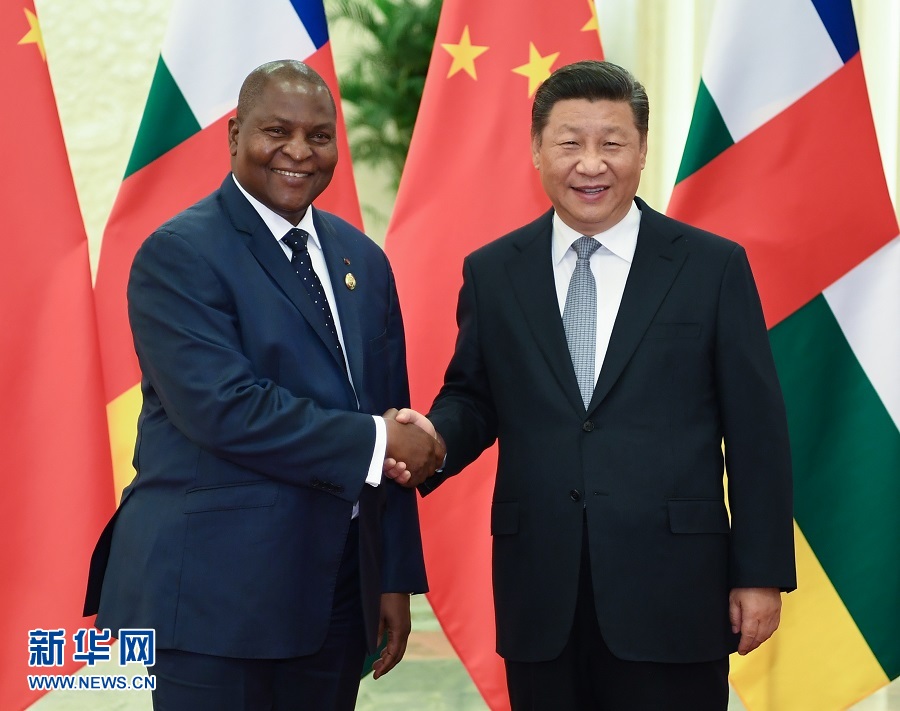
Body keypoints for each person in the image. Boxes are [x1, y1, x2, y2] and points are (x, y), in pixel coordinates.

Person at [386, 60, 796, 711]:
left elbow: (757, 431)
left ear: (642, 149)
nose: (591, 164)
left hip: (675, 591)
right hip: (542, 590)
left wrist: (761, 573)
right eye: (570, 142)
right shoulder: (494, 272)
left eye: (612, 142)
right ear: (536, 149)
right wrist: (432, 438)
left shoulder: (711, 267)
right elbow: (475, 398)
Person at [84, 59, 444, 711]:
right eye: (277, 131)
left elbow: (388, 417)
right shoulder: (180, 253)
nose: (299, 152)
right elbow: (224, 408)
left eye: (319, 136)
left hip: (337, 589)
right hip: (215, 594)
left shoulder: (363, 260)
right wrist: (376, 440)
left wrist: (391, 576)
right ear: (234, 135)